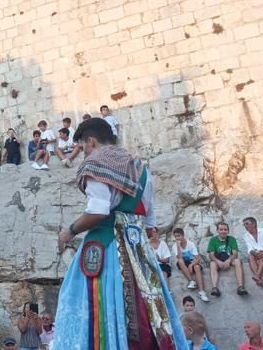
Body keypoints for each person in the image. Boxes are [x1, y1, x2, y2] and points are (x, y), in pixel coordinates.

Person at [54, 117, 187, 348]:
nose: (84, 154)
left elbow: (98, 211)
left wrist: (70, 231)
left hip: (108, 249)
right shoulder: (141, 169)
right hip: (140, 253)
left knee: (90, 304)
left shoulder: (96, 165)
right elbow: (150, 220)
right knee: (148, 309)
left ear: (92, 142)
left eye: (84, 147)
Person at [207, 222, 247, 297]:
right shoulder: (213, 240)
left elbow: (235, 253)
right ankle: (215, 288)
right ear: (217, 231)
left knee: (237, 261)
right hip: (217, 259)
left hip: (229, 258)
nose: (223, 231)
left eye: (225, 229)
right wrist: (218, 261)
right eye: (221, 229)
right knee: (212, 264)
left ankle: (240, 287)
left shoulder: (232, 239)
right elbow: (211, 255)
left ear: (228, 231)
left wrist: (228, 261)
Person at [172, 228, 209, 302]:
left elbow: (198, 258)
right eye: (175, 236)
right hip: (183, 263)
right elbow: (179, 257)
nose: (177, 238)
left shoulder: (190, 244)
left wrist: (191, 265)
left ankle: (201, 292)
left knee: (197, 267)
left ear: (183, 235)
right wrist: (178, 247)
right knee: (180, 261)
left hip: (193, 262)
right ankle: (191, 281)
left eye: (178, 236)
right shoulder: (174, 246)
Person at [243, 217, 263, 287]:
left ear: (254, 224)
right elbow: (250, 249)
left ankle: (257, 276)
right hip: (255, 254)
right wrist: (254, 253)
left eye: (247, 224)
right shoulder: (246, 236)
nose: (245, 226)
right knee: (250, 256)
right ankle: (258, 278)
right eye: (244, 224)